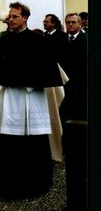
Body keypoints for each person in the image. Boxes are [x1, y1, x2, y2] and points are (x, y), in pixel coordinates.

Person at [0, 2, 63, 199]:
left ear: (25, 18)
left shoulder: (37, 40)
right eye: (10, 16)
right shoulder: (3, 40)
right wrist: (1, 82)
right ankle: (9, 185)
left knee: (33, 142)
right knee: (10, 142)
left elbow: (47, 71)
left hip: (30, 98)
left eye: (15, 16)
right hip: (10, 98)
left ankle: (36, 184)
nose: (11, 20)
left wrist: (28, 82)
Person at [42, 13, 69, 162]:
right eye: (44, 21)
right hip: (50, 77)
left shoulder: (61, 37)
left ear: (54, 23)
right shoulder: (45, 36)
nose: (44, 23)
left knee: (60, 111)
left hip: (59, 76)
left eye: (47, 21)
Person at [59, 13, 88, 128]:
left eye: (73, 22)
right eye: (68, 22)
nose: (70, 24)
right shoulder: (60, 40)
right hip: (63, 84)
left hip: (80, 86)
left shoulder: (86, 40)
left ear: (80, 24)